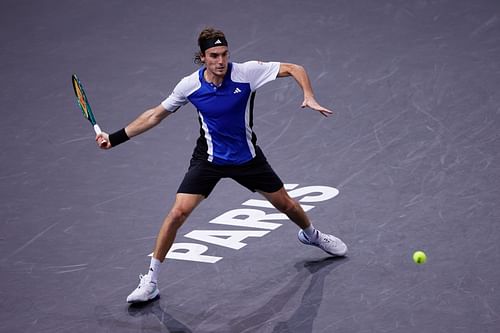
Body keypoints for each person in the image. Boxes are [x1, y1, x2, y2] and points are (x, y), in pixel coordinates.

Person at [96, 27, 347, 304]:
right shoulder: (189, 85)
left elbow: (293, 68)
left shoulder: (247, 72)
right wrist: (114, 138)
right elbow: (155, 115)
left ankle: (312, 235)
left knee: (286, 205)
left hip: (247, 157)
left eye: (225, 54)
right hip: (209, 159)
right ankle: (151, 281)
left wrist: (308, 95)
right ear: (202, 57)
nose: (221, 61)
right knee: (178, 213)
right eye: (214, 55)